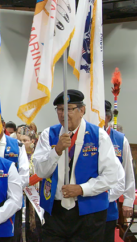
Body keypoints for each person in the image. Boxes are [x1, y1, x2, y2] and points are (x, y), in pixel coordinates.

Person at [33, 89, 122, 242]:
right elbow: (40, 171)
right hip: (55, 211)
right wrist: (57, 150)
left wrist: (82, 189)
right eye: (60, 109)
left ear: (82, 110)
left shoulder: (98, 136)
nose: (63, 114)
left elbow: (112, 175)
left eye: (69, 109)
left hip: (89, 214)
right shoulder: (48, 135)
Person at [104, 100, 135, 242]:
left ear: (108, 117)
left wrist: (128, 199)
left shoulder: (119, 139)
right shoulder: (84, 136)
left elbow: (127, 170)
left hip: (109, 202)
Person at [0, 121, 29, 242]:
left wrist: (6, 190)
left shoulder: (17, 146)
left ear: (3, 125)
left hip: (11, 203)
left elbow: (24, 177)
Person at [17, 126, 42, 242]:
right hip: (20, 196)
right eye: (20, 140)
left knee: (33, 227)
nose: (21, 143)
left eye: (25, 140)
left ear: (32, 141)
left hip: (35, 197)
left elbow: (42, 173)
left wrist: (29, 181)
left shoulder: (38, 156)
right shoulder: (17, 157)